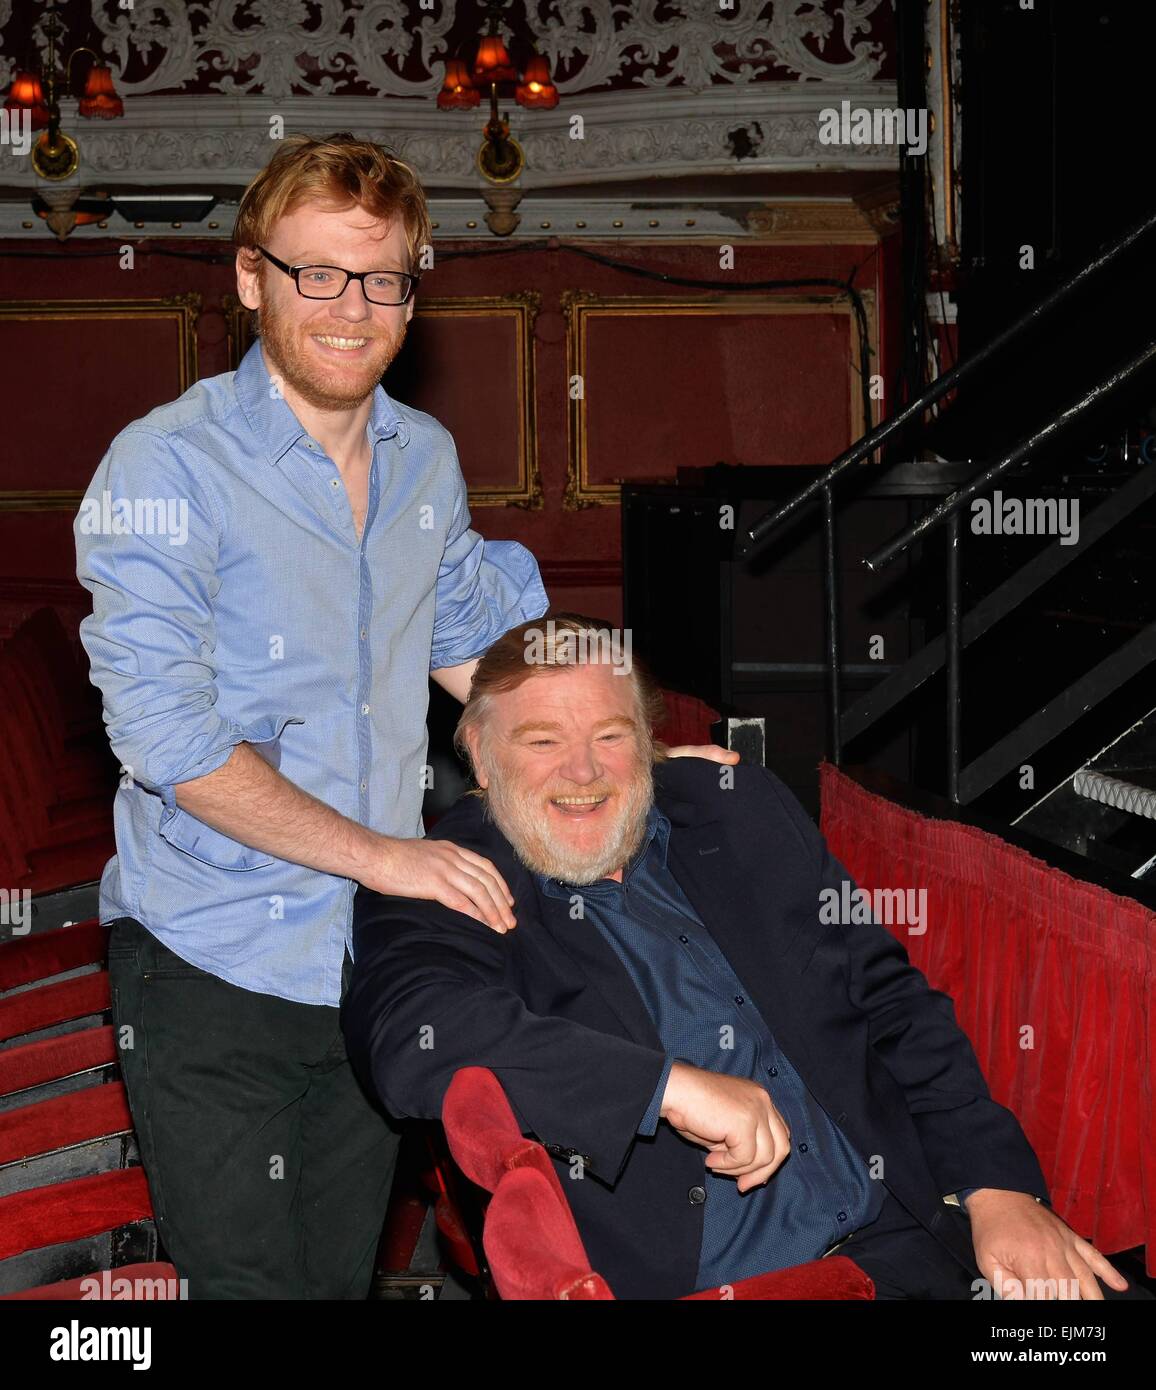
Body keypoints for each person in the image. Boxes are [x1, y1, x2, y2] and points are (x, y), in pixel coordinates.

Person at [75, 132, 552, 1299]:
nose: (352, 307)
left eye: (382, 276)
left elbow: (476, 650)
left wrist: (625, 751)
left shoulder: (423, 459)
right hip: (209, 963)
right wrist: (386, 857)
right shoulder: (164, 469)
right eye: (317, 274)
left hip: (375, 967)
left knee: (336, 1282)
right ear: (251, 279)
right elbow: (169, 741)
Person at [343, 614, 1146, 1301]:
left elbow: (893, 1002)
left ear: (650, 745)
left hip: (911, 1238)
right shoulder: (443, 880)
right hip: (724, 1279)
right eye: (542, 740)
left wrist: (994, 1187)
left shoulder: (737, 815)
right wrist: (666, 1089)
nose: (582, 772)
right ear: (481, 761)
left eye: (610, 736)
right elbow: (416, 1035)